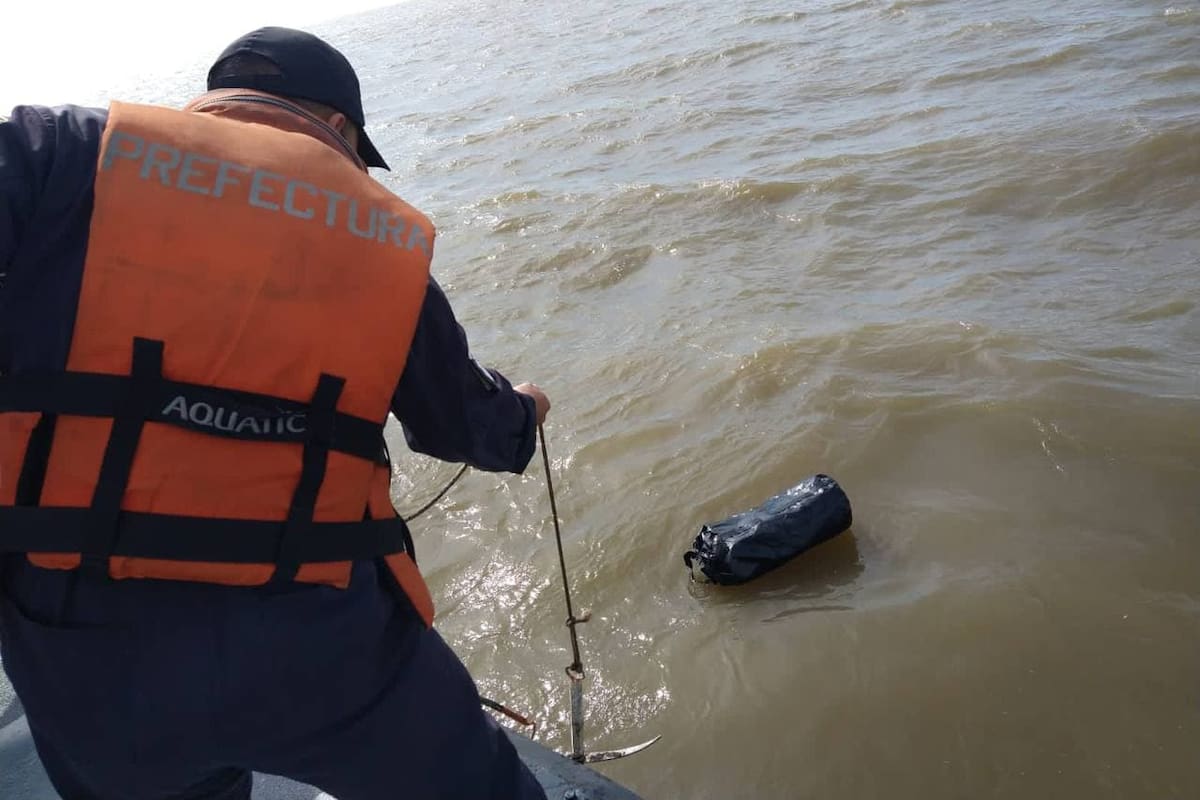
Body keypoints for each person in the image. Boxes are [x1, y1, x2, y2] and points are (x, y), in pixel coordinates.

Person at [0, 26, 550, 800]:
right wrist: (525, 411)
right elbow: (463, 426)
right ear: (340, 130)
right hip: (325, 641)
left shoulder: (54, 152)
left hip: (78, 647)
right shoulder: (379, 230)